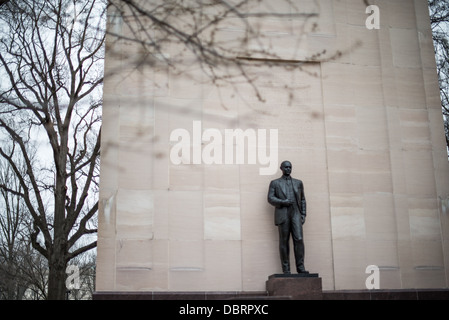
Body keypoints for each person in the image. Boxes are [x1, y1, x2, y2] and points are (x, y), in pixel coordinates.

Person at [267, 161, 308, 274]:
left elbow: (303, 199)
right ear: (281, 168)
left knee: (299, 239)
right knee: (284, 241)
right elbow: (270, 198)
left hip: (296, 213)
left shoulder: (298, 183)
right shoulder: (275, 183)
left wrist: (303, 214)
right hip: (283, 213)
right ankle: (286, 269)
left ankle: (300, 267)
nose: (288, 169)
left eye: (290, 167)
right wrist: (283, 202)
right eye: (286, 167)